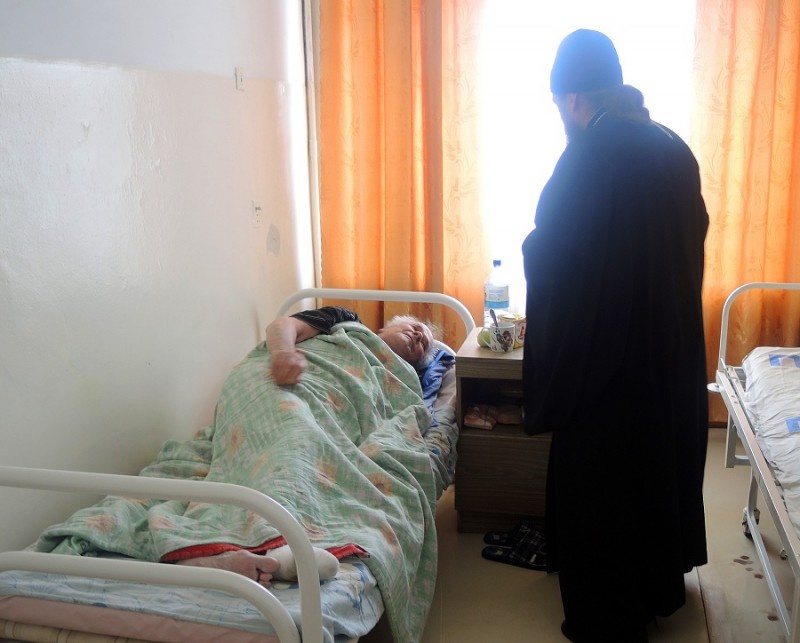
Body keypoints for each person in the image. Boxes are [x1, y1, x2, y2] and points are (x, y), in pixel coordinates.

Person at [521, 29, 709, 642]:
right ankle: (657, 588)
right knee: (659, 469)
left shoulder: (587, 156)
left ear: (574, 98)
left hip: (609, 367)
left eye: (559, 103)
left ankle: (611, 615)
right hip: (670, 349)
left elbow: (557, 255)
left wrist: (532, 250)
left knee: (605, 487)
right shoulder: (672, 146)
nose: (561, 114)